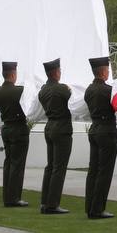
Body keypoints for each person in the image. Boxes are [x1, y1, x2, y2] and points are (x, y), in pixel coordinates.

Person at [38, 58, 72, 214]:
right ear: (56, 72)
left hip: (50, 127)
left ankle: (45, 201)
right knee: (59, 167)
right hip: (61, 128)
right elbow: (71, 99)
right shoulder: (61, 89)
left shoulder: (43, 90)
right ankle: (52, 204)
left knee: (50, 166)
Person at [84, 55, 117, 219]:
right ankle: (98, 208)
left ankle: (90, 206)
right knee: (105, 171)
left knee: (93, 170)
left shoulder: (89, 90)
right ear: (104, 71)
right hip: (107, 131)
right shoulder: (108, 90)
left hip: (94, 128)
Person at [0, 60, 29, 207]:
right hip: (18, 129)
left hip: (7, 128)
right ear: (13, 74)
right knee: (17, 164)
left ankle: (7, 196)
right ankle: (14, 197)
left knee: (9, 162)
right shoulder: (18, 91)